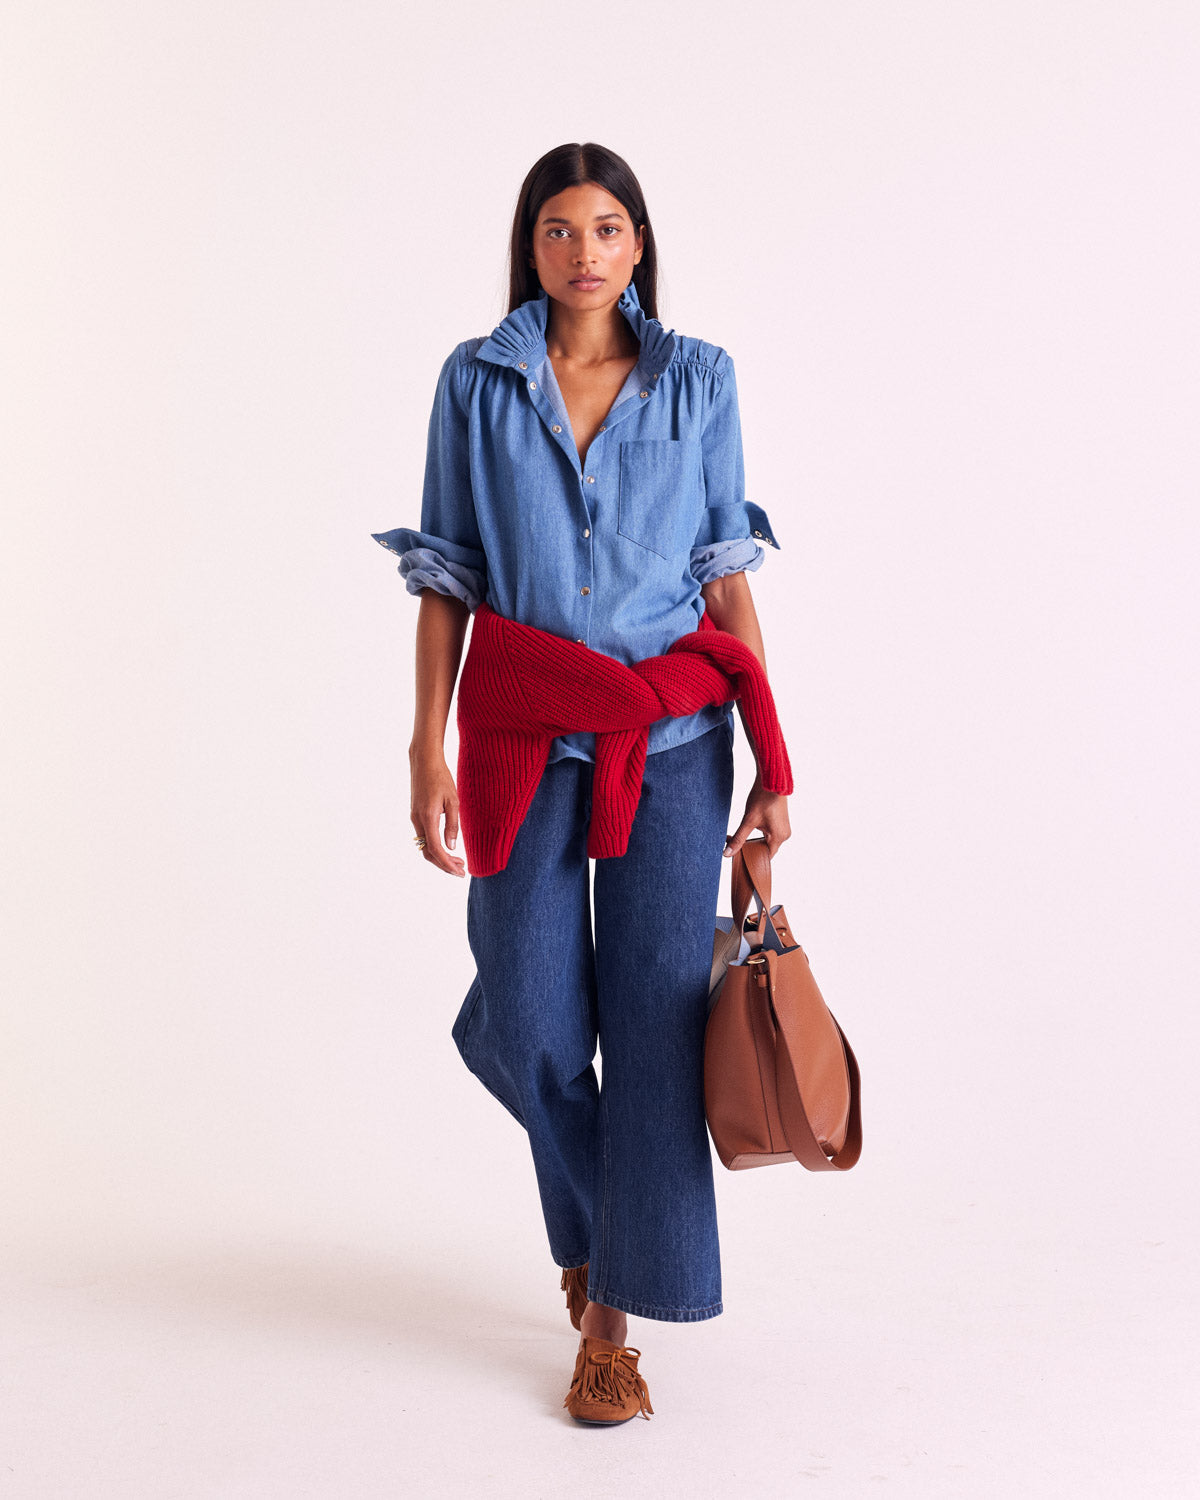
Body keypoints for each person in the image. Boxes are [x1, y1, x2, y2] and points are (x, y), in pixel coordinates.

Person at [371, 142, 792, 1425]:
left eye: (608, 228)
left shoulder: (699, 378)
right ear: (531, 246)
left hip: (672, 741)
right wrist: (425, 743)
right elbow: (448, 572)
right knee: (531, 1017)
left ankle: (609, 1320)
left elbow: (726, 574)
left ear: (639, 244)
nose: (585, 251)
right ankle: (607, 1235)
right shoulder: (476, 381)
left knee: (656, 1026)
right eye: (560, 229)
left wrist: (774, 764)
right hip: (518, 732)